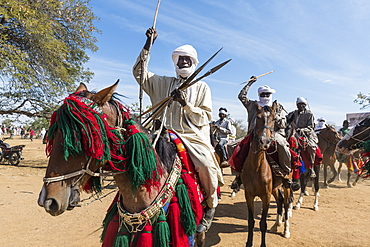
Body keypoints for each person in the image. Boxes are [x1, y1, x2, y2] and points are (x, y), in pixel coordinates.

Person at [133, 27, 224, 233]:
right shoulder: (163, 82)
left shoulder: (202, 87)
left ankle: (210, 206)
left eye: (187, 59)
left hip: (191, 136)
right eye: (179, 59)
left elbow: (205, 117)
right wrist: (148, 44)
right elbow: (139, 73)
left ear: (193, 62)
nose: (183, 62)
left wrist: (186, 104)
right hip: (160, 133)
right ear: (175, 62)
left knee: (207, 165)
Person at [237, 77, 292, 182]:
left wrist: (276, 117)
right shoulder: (252, 105)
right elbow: (241, 96)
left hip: (273, 133)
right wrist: (249, 83)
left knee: (282, 145)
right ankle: (238, 175)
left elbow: (283, 124)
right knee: (232, 146)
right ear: (259, 95)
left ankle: (286, 173)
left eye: (267, 94)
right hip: (254, 133)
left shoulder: (278, 106)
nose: (265, 96)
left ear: (271, 95)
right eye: (263, 94)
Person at [286, 97, 318, 177]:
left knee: (311, 146)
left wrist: (302, 130)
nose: (301, 106)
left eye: (302, 104)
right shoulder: (292, 113)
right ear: (296, 105)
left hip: (306, 134)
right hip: (293, 133)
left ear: (305, 105)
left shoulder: (309, 114)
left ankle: (311, 167)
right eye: (299, 104)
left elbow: (310, 127)